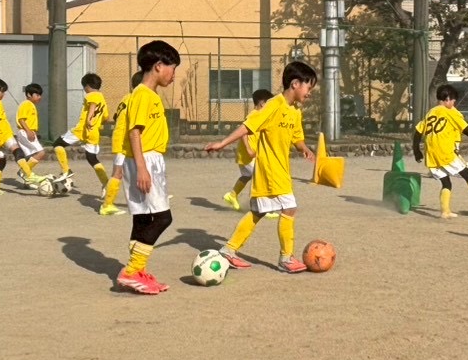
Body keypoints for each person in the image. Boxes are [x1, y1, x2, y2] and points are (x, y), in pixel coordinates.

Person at [206, 60, 318, 273]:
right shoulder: (273, 105)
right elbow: (248, 126)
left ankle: (229, 250)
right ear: (295, 84)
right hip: (270, 170)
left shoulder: (295, 111)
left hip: (281, 169)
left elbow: (297, 137)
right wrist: (222, 143)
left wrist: (305, 148)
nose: (310, 92)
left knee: (258, 212)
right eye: (308, 87)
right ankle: (286, 258)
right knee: (289, 207)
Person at [115, 41, 180, 294]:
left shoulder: (147, 94)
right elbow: (135, 132)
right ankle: (132, 270)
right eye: (173, 68)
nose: (173, 75)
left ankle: (137, 271)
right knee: (163, 218)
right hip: (145, 159)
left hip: (143, 158)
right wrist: (142, 168)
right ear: (159, 66)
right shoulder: (143, 94)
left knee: (142, 217)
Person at [412, 83, 468, 218]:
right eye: (453, 100)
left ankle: (445, 211)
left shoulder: (431, 112)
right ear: (447, 99)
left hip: (431, 155)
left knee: (446, 183)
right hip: (445, 152)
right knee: (467, 174)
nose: (454, 103)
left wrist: (417, 151)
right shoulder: (450, 112)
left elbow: (418, 132)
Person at [0, 79, 41, 194]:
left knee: (1, 160)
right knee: (18, 152)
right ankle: (29, 175)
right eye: (2, 91)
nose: (3, 94)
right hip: (3, 133)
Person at [53, 72, 110, 188]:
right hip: (93, 132)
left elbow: (93, 104)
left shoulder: (92, 95)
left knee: (57, 144)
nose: (84, 90)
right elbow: (106, 117)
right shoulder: (103, 99)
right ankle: (106, 183)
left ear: (87, 86)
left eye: (84, 87)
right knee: (92, 158)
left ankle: (66, 171)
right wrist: (96, 123)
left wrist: (89, 119)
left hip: (81, 130)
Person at [98, 72, 143, 217]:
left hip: (121, 139)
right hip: (124, 142)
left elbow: (116, 116)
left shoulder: (126, 97)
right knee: (118, 173)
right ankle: (107, 205)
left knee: (136, 170)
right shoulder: (136, 99)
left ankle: (149, 198)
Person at [223, 88, 272, 211]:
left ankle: (232, 195)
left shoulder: (260, 116)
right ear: (262, 103)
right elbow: (244, 132)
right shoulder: (254, 115)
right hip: (248, 155)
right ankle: (262, 208)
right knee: (262, 178)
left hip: (249, 154)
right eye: (269, 103)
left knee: (246, 176)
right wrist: (249, 149)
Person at [14, 84, 56, 180]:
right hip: (25, 132)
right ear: (29, 95)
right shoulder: (26, 104)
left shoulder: (31, 105)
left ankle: (27, 176)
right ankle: (24, 171)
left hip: (28, 132)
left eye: (40, 95)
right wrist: (28, 131)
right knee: (41, 153)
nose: (39, 97)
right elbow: (21, 119)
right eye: (37, 95)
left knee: (31, 155)